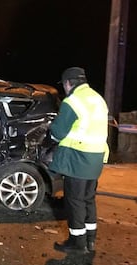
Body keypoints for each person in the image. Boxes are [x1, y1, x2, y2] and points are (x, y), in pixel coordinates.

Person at [50, 67, 109, 254]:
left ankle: (77, 243)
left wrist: (52, 125)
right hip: (96, 157)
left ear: (68, 83)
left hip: (78, 158)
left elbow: (58, 132)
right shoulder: (98, 99)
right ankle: (90, 240)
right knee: (88, 199)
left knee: (74, 201)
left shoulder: (73, 101)